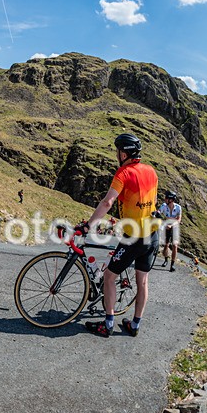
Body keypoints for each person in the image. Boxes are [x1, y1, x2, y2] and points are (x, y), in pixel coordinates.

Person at [79, 133, 159, 338]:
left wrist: (89, 225)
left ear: (124, 153)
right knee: (142, 282)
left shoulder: (123, 173)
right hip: (153, 234)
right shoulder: (151, 171)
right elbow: (151, 202)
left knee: (109, 277)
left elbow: (108, 202)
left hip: (134, 237)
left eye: (117, 151)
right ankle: (135, 325)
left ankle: (107, 324)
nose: (116, 154)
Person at [158, 190, 182, 272]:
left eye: (166, 198)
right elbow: (159, 212)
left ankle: (172, 265)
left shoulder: (178, 207)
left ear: (171, 200)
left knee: (175, 246)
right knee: (166, 246)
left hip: (174, 227)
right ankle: (166, 260)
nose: (165, 199)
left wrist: (171, 223)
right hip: (166, 227)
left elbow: (178, 220)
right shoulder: (164, 206)